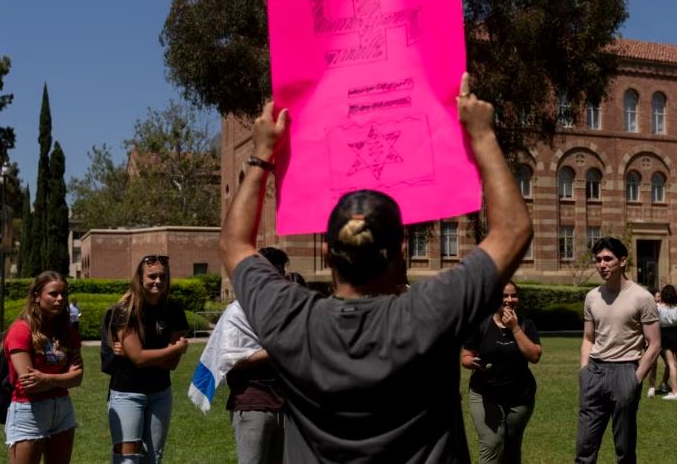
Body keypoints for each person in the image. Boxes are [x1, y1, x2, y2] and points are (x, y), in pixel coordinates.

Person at [219, 73, 533, 462]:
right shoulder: (432, 312)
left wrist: (261, 154)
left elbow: (233, 245)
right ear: (402, 247)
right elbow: (514, 231)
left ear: (327, 253)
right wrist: (483, 136)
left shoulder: (291, 319)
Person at [576, 237, 661, 464]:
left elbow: (654, 344)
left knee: (624, 449)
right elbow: (588, 338)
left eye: (607, 259)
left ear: (622, 261)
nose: (602, 264)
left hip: (625, 372)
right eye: (598, 260)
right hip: (594, 372)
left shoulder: (642, 297)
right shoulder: (592, 297)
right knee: (584, 448)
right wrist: (584, 371)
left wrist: (636, 378)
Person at [106, 254, 190, 464]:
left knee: (154, 457)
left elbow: (172, 364)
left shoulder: (174, 310)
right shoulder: (125, 310)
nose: (158, 281)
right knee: (128, 458)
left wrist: (143, 354)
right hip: (127, 393)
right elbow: (140, 359)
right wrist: (174, 349)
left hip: (161, 392)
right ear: (140, 278)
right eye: (152, 276)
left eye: (163, 276)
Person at [3, 270, 83, 464]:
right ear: (37, 297)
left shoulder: (68, 331)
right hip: (28, 411)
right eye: (53, 294)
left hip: (63, 410)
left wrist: (47, 379)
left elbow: (78, 378)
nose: (60, 299)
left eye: (63, 294)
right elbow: (30, 383)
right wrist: (63, 379)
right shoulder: (21, 331)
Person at [461, 281, 542, 464]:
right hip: (485, 395)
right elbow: (465, 356)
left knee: (512, 448)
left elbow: (535, 356)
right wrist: (471, 363)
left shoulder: (526, 325)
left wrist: (514, 328)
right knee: (492, 444)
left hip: (520, 399)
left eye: (513, 295)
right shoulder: (480, 324)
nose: (509, 299)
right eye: (504, 296)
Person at [225, 247, 287, 464]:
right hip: (253, 405)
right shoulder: (238, 312)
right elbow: (230, 359)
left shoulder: (285, 309)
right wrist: (274, 350)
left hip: (285, 406)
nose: (277, 278)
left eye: (280, 273)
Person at [646, 289, 669, 398]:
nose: (659, 298)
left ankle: (664, 383)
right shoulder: (649, 308)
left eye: (660, 296)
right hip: (652, 341)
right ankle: (651, 388)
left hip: (664, 340)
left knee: (670, 364)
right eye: (657, 296)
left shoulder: (663, 307)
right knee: (653, 365)